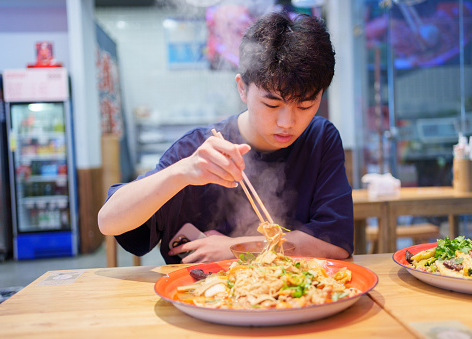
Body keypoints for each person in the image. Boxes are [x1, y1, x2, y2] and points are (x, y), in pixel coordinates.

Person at [98, 11, 354, 264]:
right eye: (272, 105)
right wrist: (181, 172)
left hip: (293, 301)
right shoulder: (202, 149)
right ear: (242, 87)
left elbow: (336, 243)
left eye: (305, 105)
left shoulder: (319, 138)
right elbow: (108, 221)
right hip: (199, 298)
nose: (287, 123)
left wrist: (238, 248)